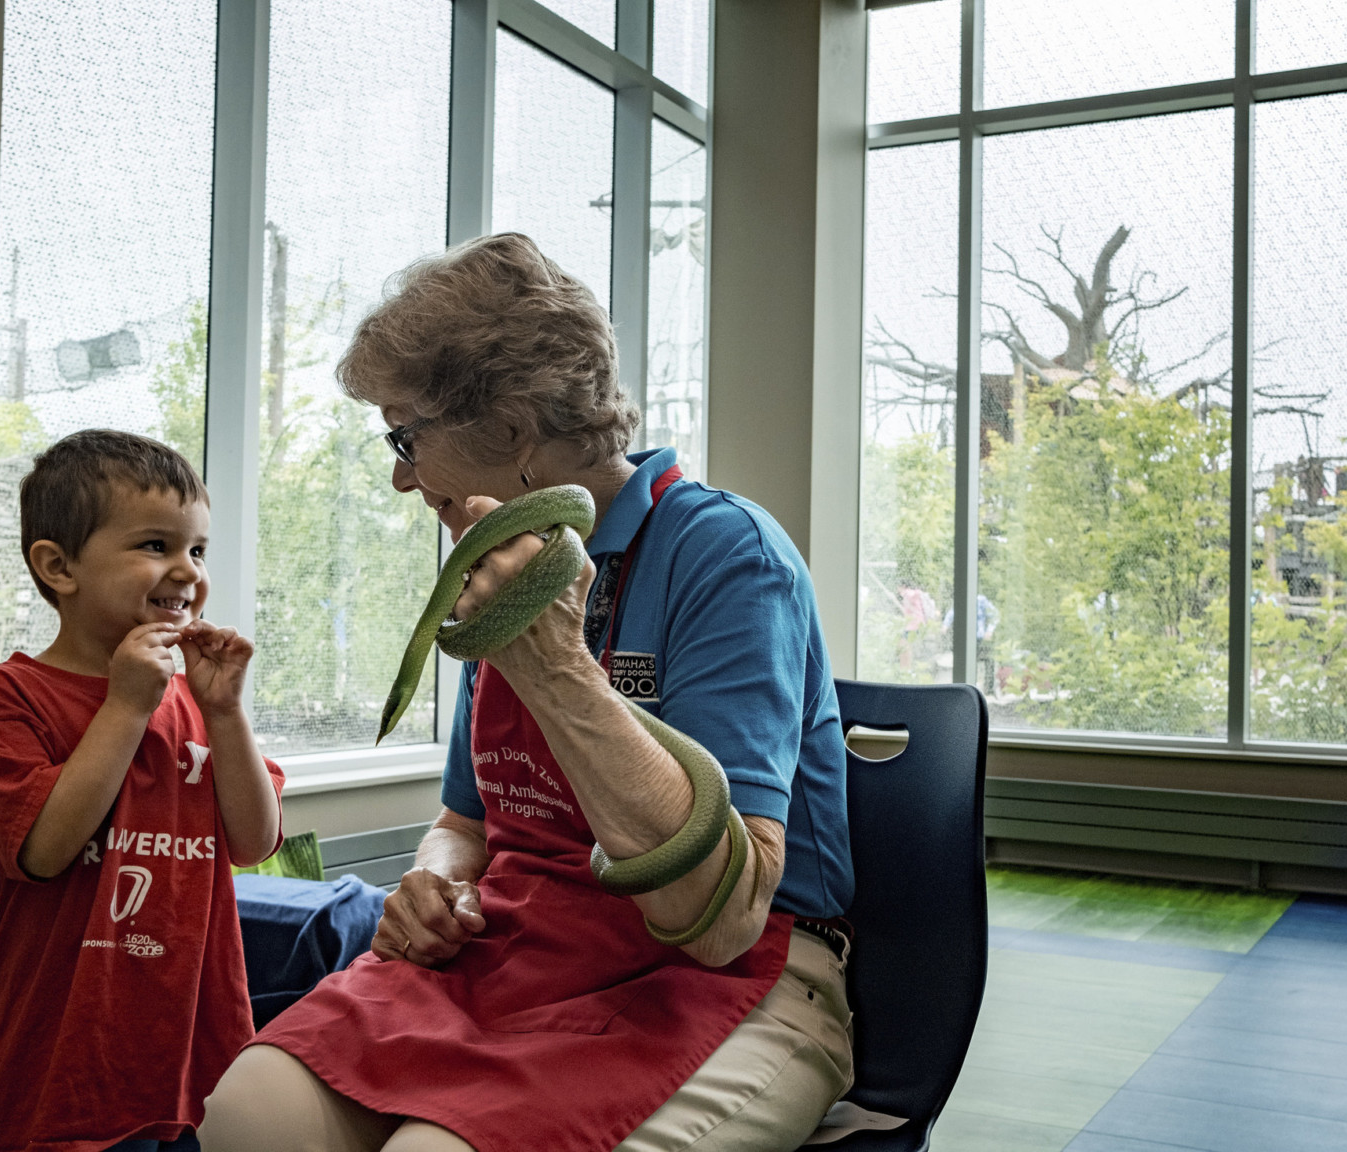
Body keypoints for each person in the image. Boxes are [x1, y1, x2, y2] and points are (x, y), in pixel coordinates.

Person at [199, 233, 855, 1152]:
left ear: (509, 430)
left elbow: (715, 919)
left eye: (406, 435)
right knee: (247, 1114)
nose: (399, 474)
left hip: (724, 973)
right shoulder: (519, 564)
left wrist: (556, 667)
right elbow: (466, 823)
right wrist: (433, 878)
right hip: (523, 945)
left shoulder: (724, 554)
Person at [0, 430, 285, 1152]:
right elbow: (43, 850)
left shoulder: (200, 699)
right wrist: (127, 704)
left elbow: (256, 843)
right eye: (155, 546)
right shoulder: (7, 698)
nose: (187, 572)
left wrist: (226, 713)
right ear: (58, 566)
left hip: (197, 1050)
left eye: (197, 551)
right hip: (68, 1060)